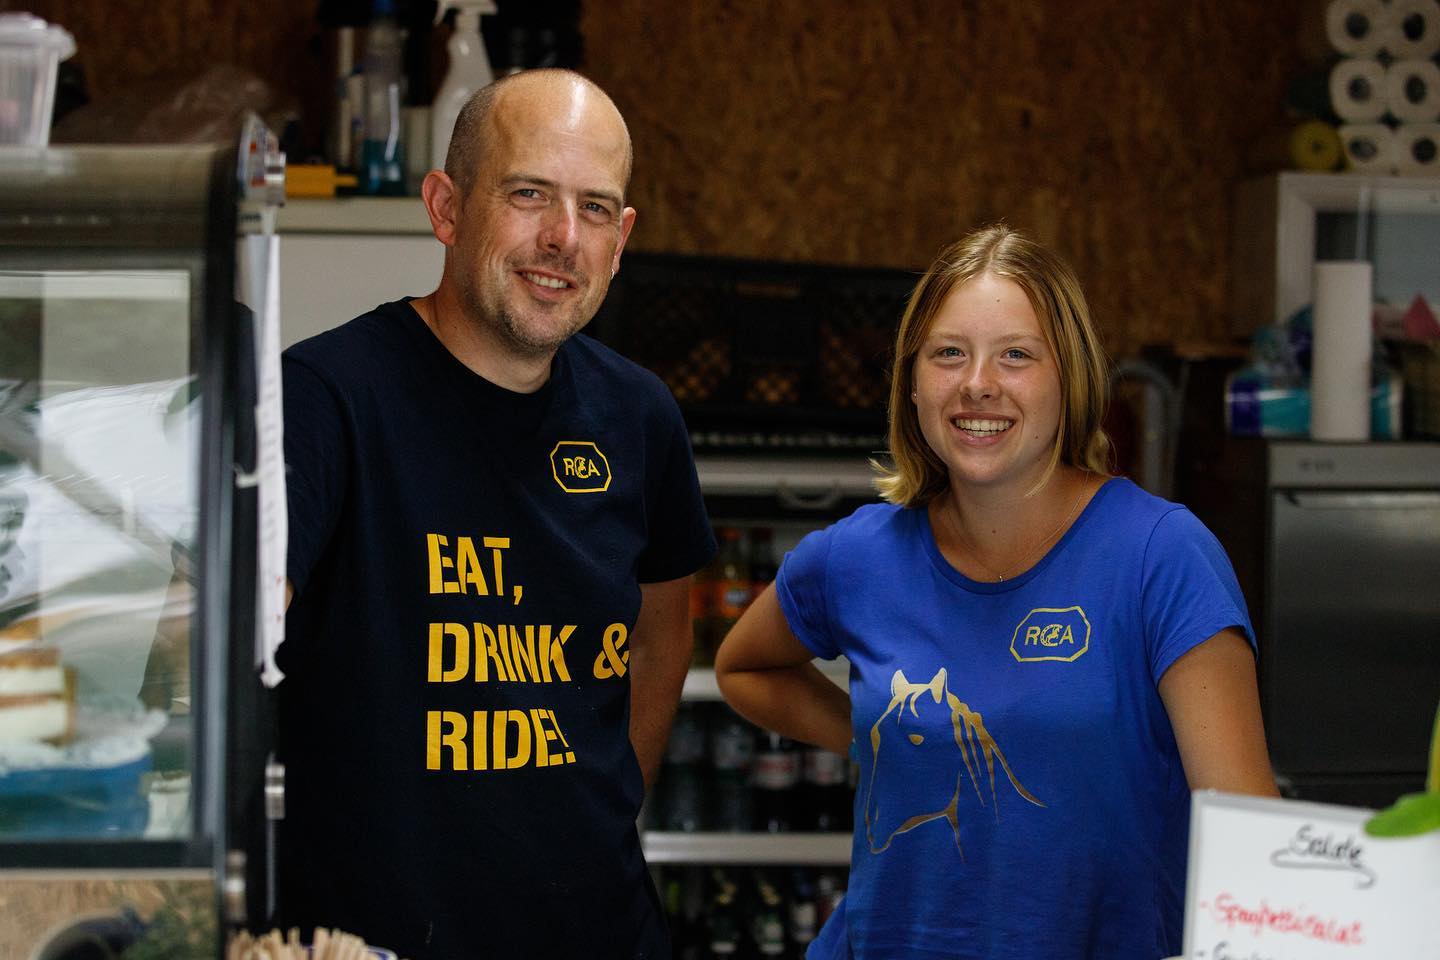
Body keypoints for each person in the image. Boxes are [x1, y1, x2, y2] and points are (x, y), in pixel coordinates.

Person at [715, 224, 1277, 960]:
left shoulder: (1161, 557)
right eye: (949, 353)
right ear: (913, 382)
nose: (978, 382)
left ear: (1069, 378)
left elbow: (1248, 842)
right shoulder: (855, 556)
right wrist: (893, 741)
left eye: (1016, 354)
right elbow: (743, 668)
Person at [276, 69, 716, 959]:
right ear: (446, 208)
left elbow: (662, 628)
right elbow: (222, 631)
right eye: (528, 195)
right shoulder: (325, 398)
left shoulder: (640, 416)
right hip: (377, 943)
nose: (563, 238)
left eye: (596, 209)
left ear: (622, 240)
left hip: (602, 937)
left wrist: (597, 814)